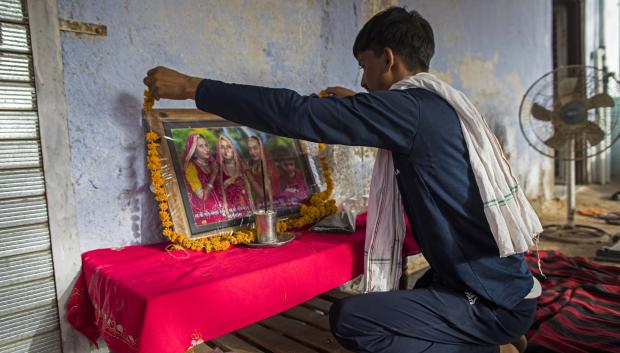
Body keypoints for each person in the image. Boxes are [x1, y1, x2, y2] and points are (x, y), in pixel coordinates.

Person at [144, 7, 541, 353]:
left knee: (353, 320)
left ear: (388, 59)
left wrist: (194, 88)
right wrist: (355, 103)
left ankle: (490, 344)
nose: (365, 81)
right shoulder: (437, 105)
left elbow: (297, 114)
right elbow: (396, 121)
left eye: (365, 67)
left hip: (490, 298)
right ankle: (492, 334)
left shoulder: (408, 112)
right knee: (410, 302)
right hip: (500, 283)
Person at [181, 134, 222, 225]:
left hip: (222, 210)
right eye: (201, 146)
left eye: (206, 145)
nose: (206, 149)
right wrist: (214, 174)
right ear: (194, 151)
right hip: (205, 214)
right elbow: (203, 197)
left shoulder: (213, 164)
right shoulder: (190, 168)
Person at [216, 135, 255, 218]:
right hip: (230, 212)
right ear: (219, 151)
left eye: (229, 147)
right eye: (222, 147)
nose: (226, 150)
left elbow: (250, 190)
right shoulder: (217, 169)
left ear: (233, 149)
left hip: (246, 209)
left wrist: (253, 211)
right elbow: (218, 193)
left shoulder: (242, 166)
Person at [244, 135, 279, 210]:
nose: (252, 152)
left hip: (271, 206)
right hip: (259, 206)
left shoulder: (268, 166)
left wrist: (247, 173)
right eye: (250, 149)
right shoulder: (253, 164)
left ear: (261, 148)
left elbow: (263, 194)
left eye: (255, 148)